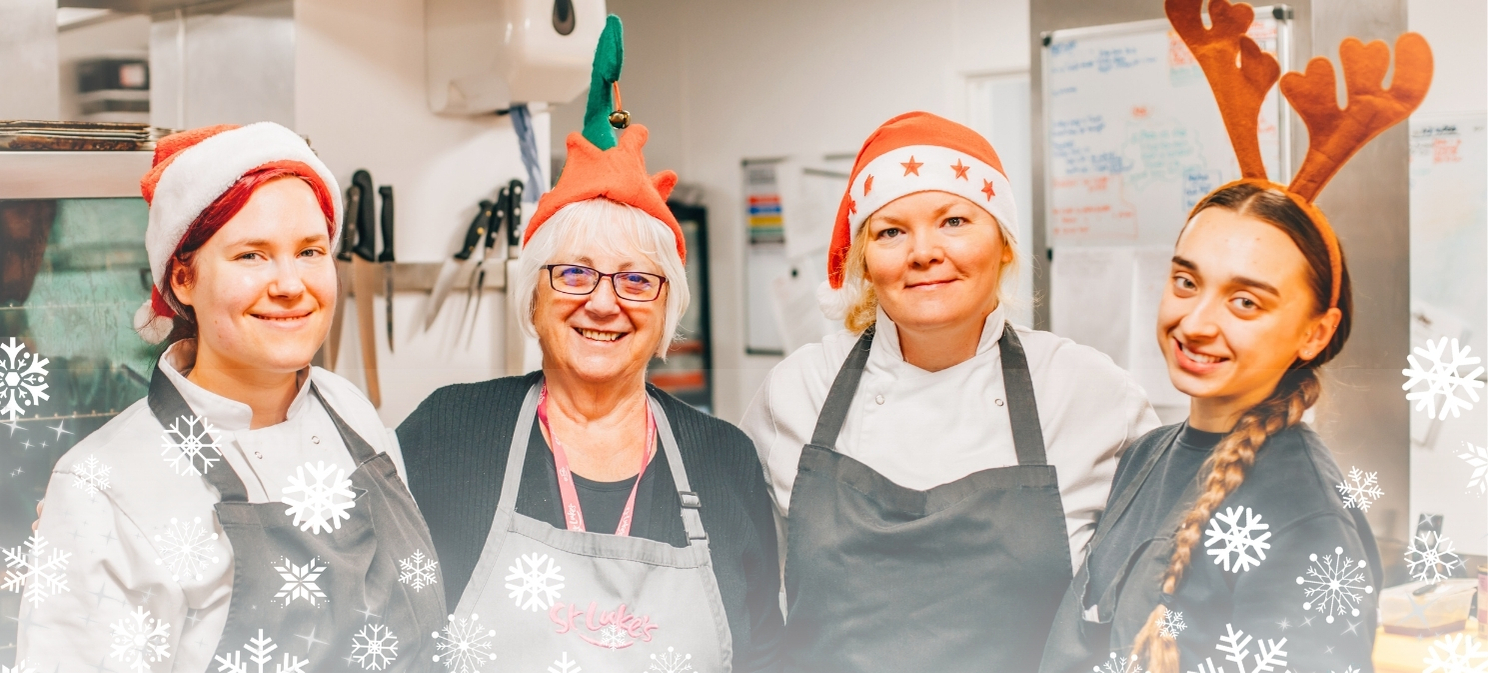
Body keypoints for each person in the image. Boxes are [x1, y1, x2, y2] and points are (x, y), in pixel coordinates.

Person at [1038, 2, 1432, 671]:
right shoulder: (1147, 456)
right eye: (1187, 282)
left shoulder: (1307, 516)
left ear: (1315, 332)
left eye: (1246, 301)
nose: (1196, 322)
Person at [397, 16, 784, 672]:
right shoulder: (445, 436)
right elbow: (381, 628)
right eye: (574, 272)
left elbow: (767, 655)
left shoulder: (725, 462)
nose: (603, 301)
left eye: (637, 279)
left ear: (667, 307)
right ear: (535, 296)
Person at [740, 111, 1159, 672]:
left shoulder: (1091, 395)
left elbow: (1153, 605)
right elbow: (746, 604)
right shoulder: (796, 392)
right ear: (865, 259)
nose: (924, 252)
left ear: (1005, 244)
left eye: (955, 221)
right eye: (891, 231)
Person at [17, 123, 445, 671]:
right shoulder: (102, 487)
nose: (291, 284)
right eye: (251, 255)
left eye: (310, 251)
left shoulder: (351, 411)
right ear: (182, 280)